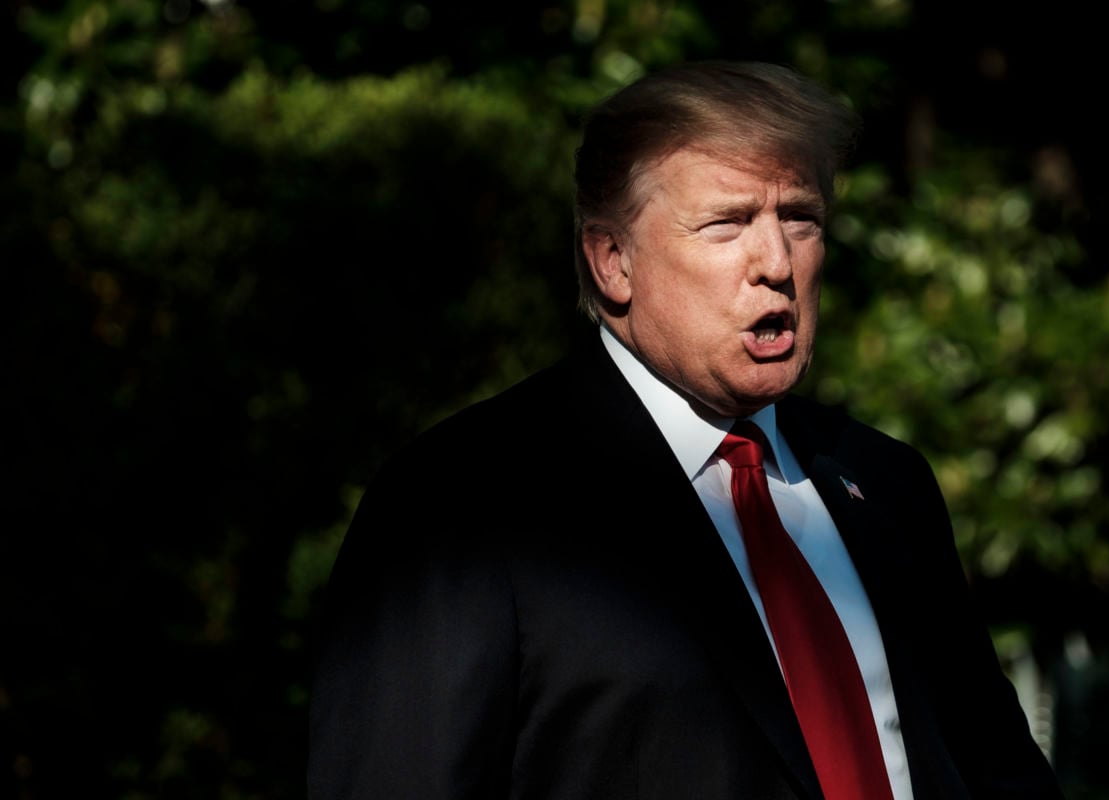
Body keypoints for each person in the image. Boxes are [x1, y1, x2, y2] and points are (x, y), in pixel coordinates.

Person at [307, 60, 1064, 799]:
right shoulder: (462, 504)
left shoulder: (886, 483)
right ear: (613, 261)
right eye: (726, 223)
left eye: (800, 218)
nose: (775, 262)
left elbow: (996, 768)